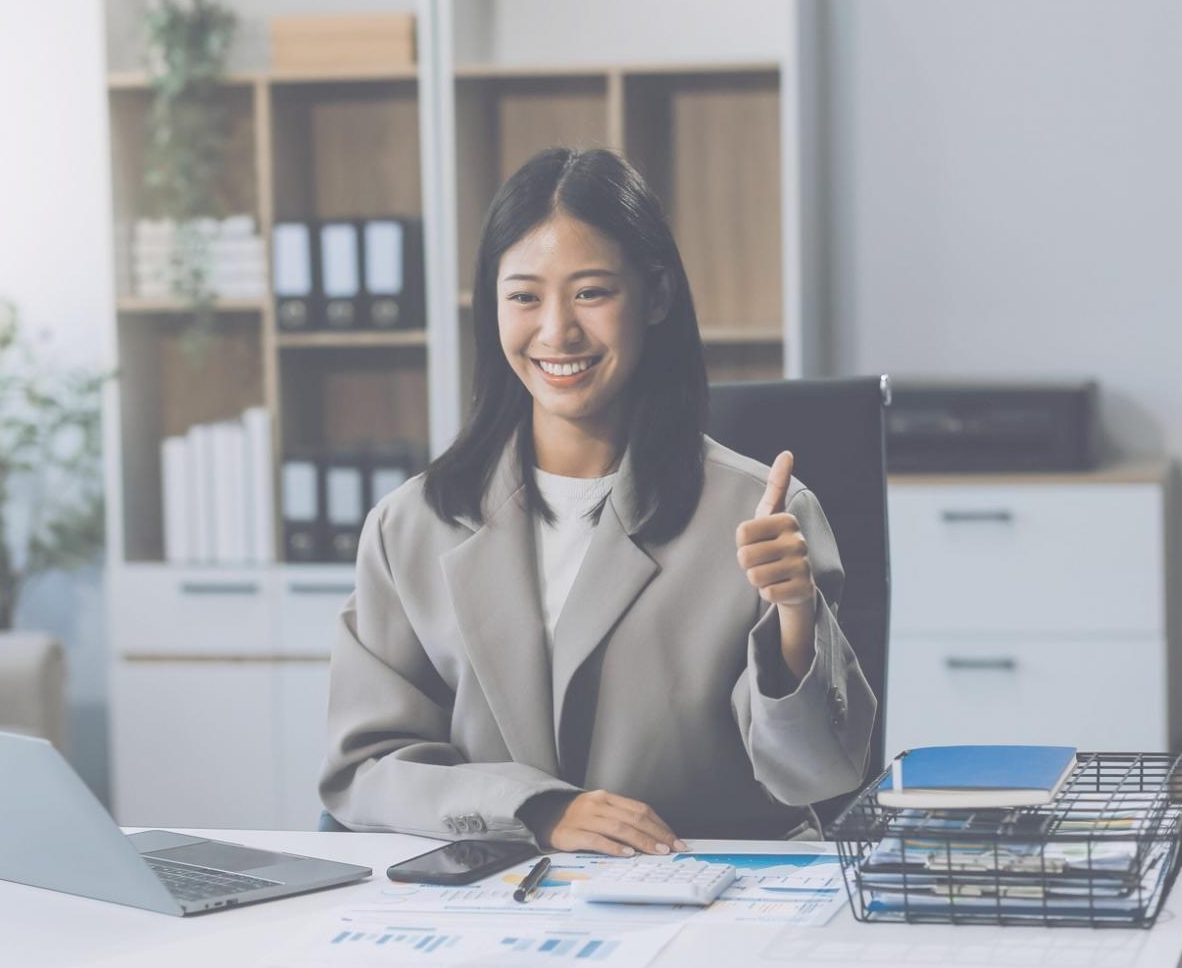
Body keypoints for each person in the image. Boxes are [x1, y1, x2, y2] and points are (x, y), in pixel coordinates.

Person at [320, 147, 875, 853]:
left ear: (656, 297)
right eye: (524, 297)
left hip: (710, 882)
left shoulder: (764, 514)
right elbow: (365, 770)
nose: (557, 331)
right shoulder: (409, 526)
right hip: (498, 891)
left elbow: (817, 775)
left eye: (591, 293)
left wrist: (796, 613)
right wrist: (536, 809)